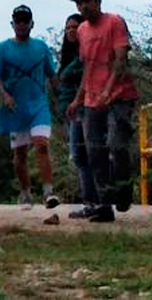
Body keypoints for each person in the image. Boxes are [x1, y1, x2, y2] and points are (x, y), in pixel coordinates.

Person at [66, 0, 140, 222]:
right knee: (95, 152)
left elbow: (120, 61)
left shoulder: (114, 22)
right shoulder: (83, 31)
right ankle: (105, 206)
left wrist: (108, 93)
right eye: (80, 3)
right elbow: (88, 66)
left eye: (88, 1)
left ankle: (124, 188)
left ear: (98, 1)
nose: (84, 6)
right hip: (91, 99)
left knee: (117, 145)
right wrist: (78, 99)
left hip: (120, 96)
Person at [0, 5, 60, 210]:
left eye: (25, 21)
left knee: (41, 144)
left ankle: (48, 191)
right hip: (16, 107)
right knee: (20, 153)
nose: (21, 24)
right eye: (18, 21)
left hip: (39, 104)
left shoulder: (41, 47)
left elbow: (52, 75)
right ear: (12, 24)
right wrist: (5, 95)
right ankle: (26, 193)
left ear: (32, 24)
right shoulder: (3, 48)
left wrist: (63, 97)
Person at [58, 13, 98, 219]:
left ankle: (93, 203)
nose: (71, 31)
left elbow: (88, 78)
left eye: (75, 26)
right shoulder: (68, 55)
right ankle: (93, 202)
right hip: (72, 113)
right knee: (82, 157)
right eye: (68, 28)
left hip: (84, 110)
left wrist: (77, 102)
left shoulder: (85, 53)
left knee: (84, 156)